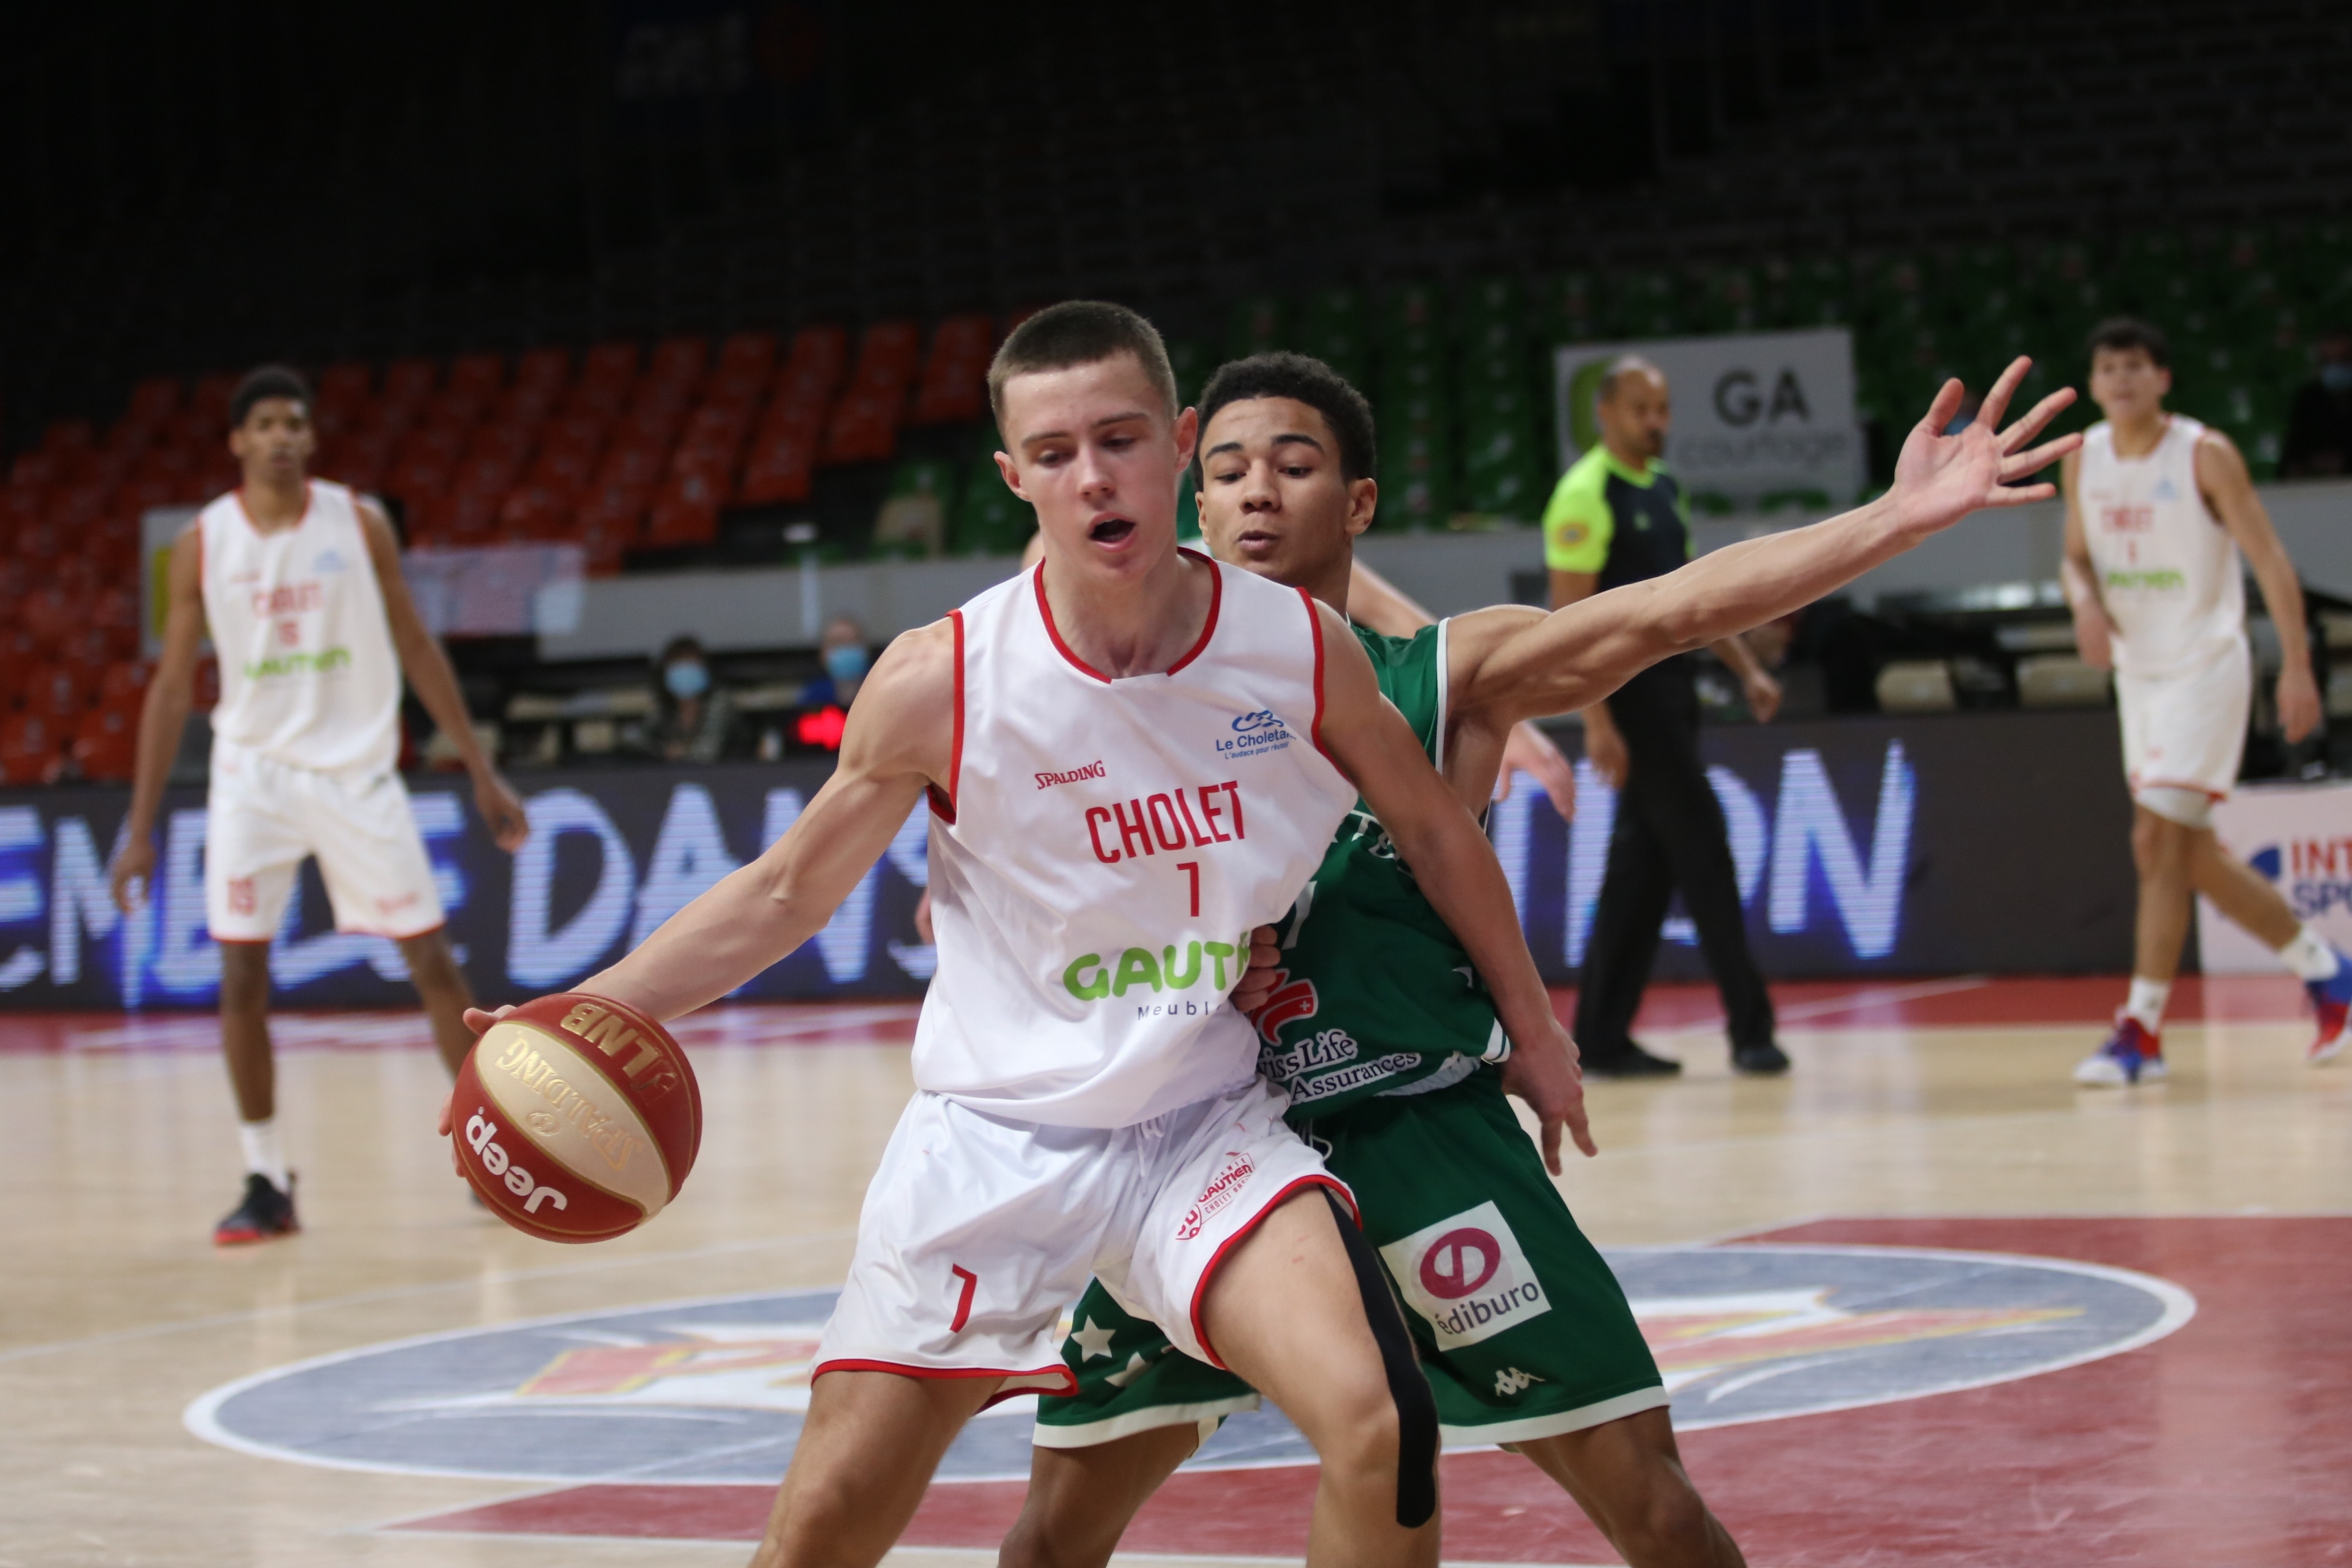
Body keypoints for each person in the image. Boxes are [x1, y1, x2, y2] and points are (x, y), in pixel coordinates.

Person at [444, 302, 1595, 1568]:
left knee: (1383, 1427)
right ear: (1013, 477)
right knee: (824, 1532)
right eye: (1054, 453)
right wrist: (582, 1010)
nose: (1093, 476)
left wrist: (1535, 1031)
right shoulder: (944, 678)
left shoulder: (1297, 651)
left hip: (1200, 1125)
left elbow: (1439, 833)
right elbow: (783, 894)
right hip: (994, 1140)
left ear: (1180, 441)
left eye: (1121, 438)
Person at [1001, 349, 2079, 1568]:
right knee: (1054, 1537)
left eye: (1294, 466)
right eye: (1231, 469)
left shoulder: (1442, 678)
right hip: (1202, 1152)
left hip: (1416, 1137)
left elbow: (1671, 609)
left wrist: (1894, 519)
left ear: (1357, 504)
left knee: (1655, 1508)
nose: (1256, 493)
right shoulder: (1123, 706)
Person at [109, 365, 530, 1244]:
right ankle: (266, 1177)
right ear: (237, 441)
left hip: (357, 774)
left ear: (310, 437)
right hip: (250, 778)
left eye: (294, 421)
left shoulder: (357, 520)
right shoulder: (201, 541)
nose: (281, 436)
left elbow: (414, 641)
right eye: (263, 422)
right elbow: (173, 684)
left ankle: (493, 1159)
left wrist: (478, 769)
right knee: (240, 975)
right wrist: (139, 826)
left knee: (433, 965)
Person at [2061, 318, 2352, 1084]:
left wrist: (2296, 663)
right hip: (2139, 672)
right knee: (2184, 852)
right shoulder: (2083, 459)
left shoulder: (2203, 454)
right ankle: (2326, 968)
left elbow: (2270, 559)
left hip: (2205, 665)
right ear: (2093, 386)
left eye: (2135, 366)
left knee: (2156, 842)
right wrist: (2084, 603)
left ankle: (2142, 1030)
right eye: (2108, 368)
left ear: (2163, 379)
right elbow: (2074, 558)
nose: (2120, 379)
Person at [1544, 356, 1787, 1078]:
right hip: (1631, 702)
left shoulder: (1666, 488)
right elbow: (1570, 623)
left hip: (1677, 697)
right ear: (1607, 413)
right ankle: (1751, 1030)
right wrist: (1597, 723)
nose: (1656, 422)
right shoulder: (1583, 495)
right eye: (1642, 408)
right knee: (1706, 852)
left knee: (1640, 876)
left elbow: (1692, 601)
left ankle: (1603, 1037)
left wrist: (1747, 670)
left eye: (1663, 408)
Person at [2280, 326, 2352, 478]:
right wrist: (2313, 463)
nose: (2335, 368)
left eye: (2344, 360)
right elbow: (2290, 462)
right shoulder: (2308, 400)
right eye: (2327, 361)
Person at [650, 635, 734, 762]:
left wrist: (682, 752)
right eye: (678, 663)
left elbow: (712, 749)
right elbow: (643, 742)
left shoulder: (719, 702)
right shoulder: (663, 709)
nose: (685, 669)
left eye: (690, 662)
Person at [798, 613, 873, 710]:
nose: (845, 648)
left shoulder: (878, 688)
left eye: (851, 642)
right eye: (837, 642)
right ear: (823, 654)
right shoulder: (813, 695)